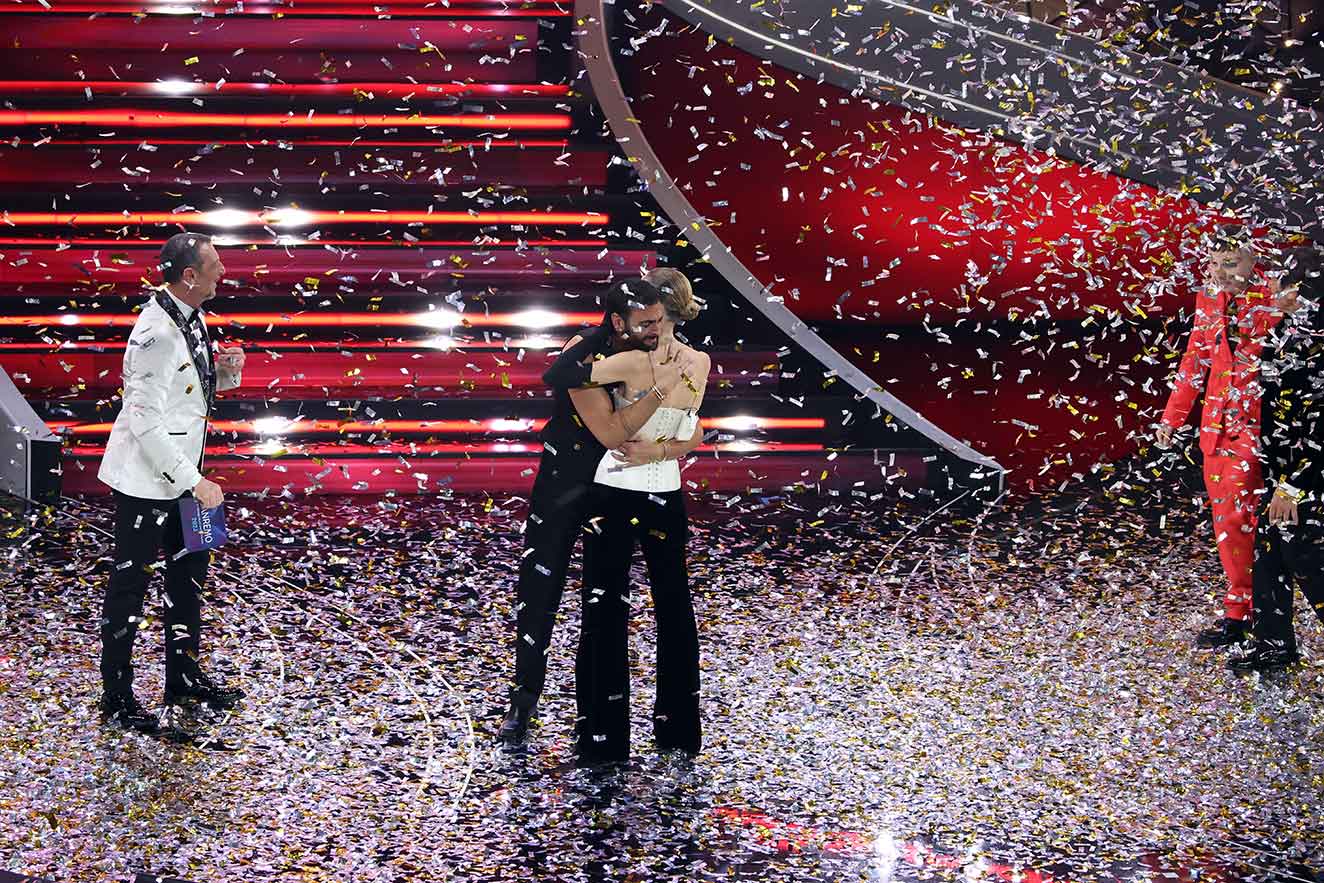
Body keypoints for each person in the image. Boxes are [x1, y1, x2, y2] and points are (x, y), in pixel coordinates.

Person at [496, 279, 695, 744]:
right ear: (620, 321)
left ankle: (604, 721)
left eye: (660, 320)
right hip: (567, 483)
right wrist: (659, 391)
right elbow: (605, 425)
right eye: (647, 321)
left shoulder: (662, 351)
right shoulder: (585, 350)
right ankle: (524, 700)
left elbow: (691, 420)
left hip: (620, 488)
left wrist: (667, 443)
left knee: (606, 604)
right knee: (541, 590)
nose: (656, 329)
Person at [544, 267, 711, 763]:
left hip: (615, 490)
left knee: (605, 611)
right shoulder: (699, 362)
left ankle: (602, 736)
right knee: (675, 609)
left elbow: (560, 376)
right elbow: (693, 433)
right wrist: (661, 452)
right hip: (667, 491)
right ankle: (680, 732)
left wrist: (587, 341)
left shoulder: (630, 362)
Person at [97, 231, 247, 735]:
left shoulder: (193, 315)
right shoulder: (155, 332)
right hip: (148, 483)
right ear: (189, 275)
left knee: (190, 583)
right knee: (130, 589)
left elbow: (185, 395)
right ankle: (117, 697)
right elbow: (144, 420)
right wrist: (194, 481)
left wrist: (225, 375)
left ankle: (183, 679)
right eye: (215, 265)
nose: (222, 272)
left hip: (189, 479)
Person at [1155, 225, 1280, 648]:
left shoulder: (1277, 296)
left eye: (1229, 262)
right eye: (1212, 263)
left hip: (1259, 427)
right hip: (1216, 428)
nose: (1219, 272)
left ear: (1253, 260)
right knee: (1227, 523)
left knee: (1251, 521)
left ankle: (1260, 616)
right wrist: (1172, 418)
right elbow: (1196, 358)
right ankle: (1239, 612)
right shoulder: (1208, 296)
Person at [1230, 246, 1324, 672]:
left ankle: (1274, 642)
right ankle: (1274, 643)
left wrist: (1295, 484)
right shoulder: (1284, 330)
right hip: (1282, 466)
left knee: (1304, 553)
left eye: (1276, 278)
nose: (1267, 284)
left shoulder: (1318, 340)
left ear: (1297, 288)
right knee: (1268, 549)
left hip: (1309, 472)